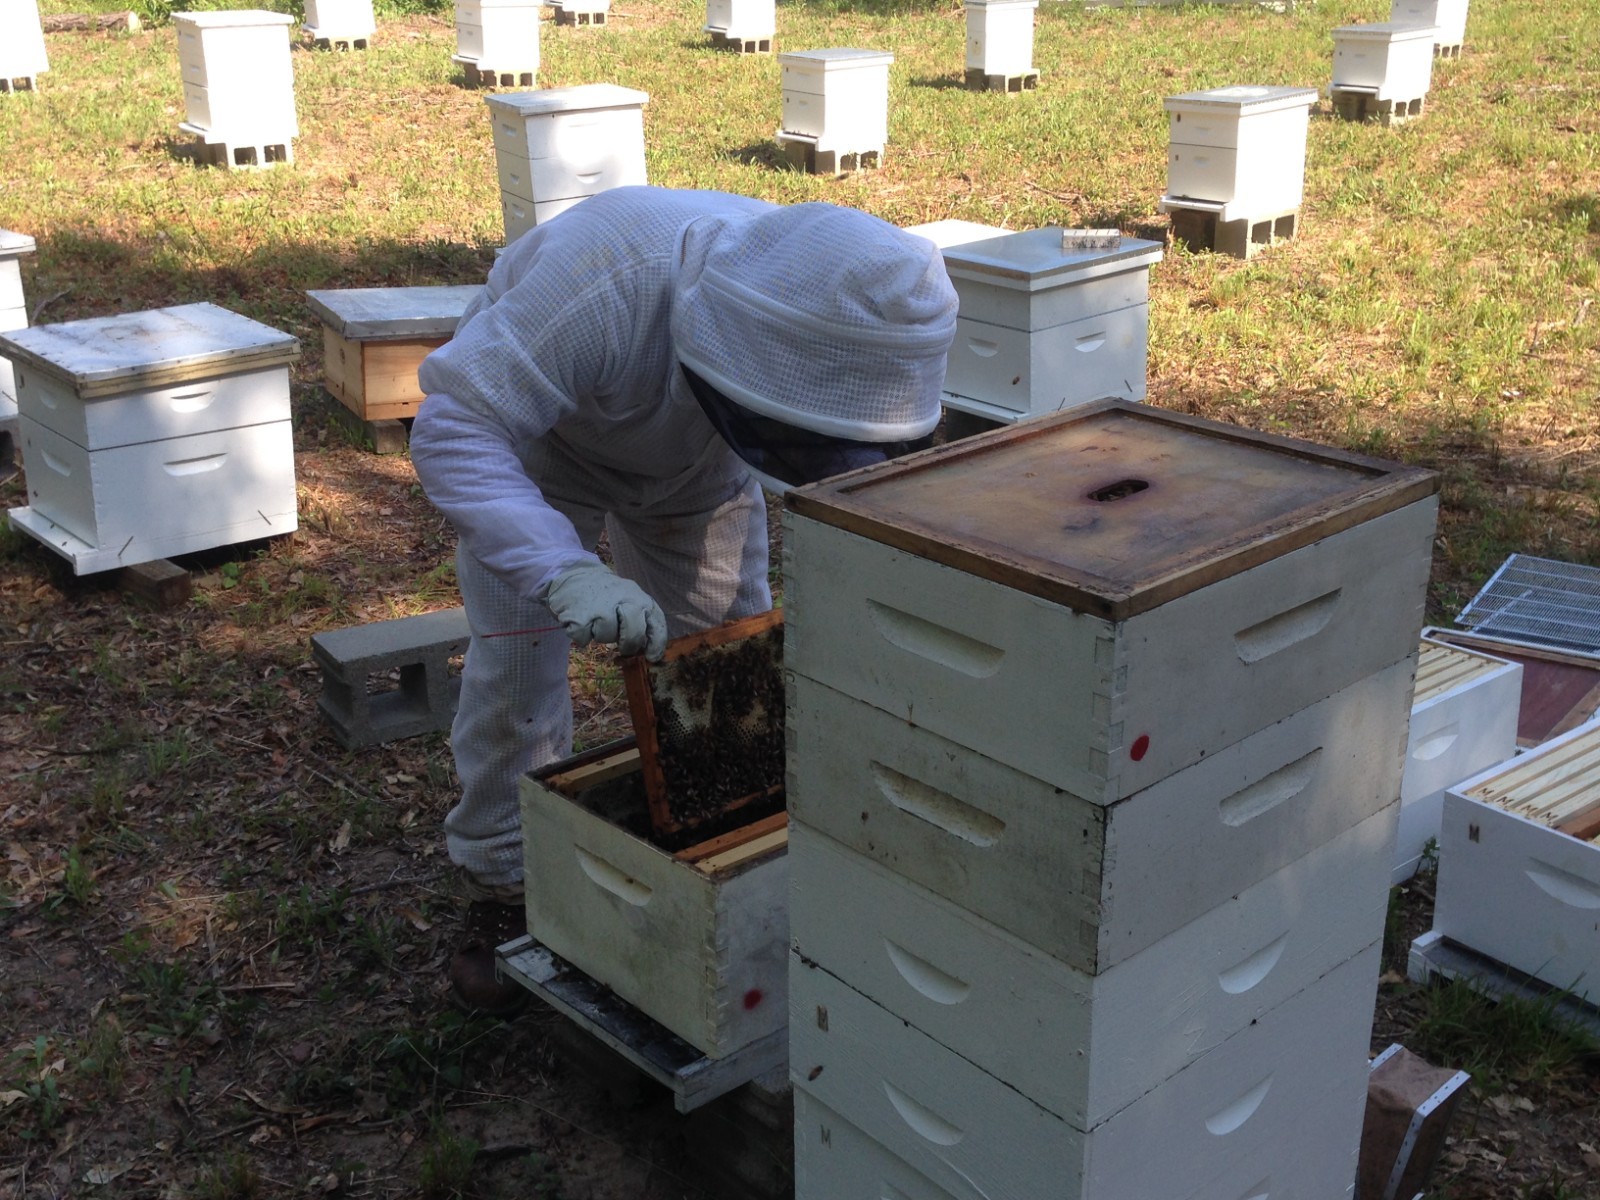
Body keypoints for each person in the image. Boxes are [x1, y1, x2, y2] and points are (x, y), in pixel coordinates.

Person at [409, 185, 958, 1014]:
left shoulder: (819, 297)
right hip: (536, 455)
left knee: (727, 664)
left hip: (695, 473)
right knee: (518, 673)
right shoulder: (601, 280)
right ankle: (501, 882)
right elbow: (456, 428)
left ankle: (727, 864)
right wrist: (563, 568)